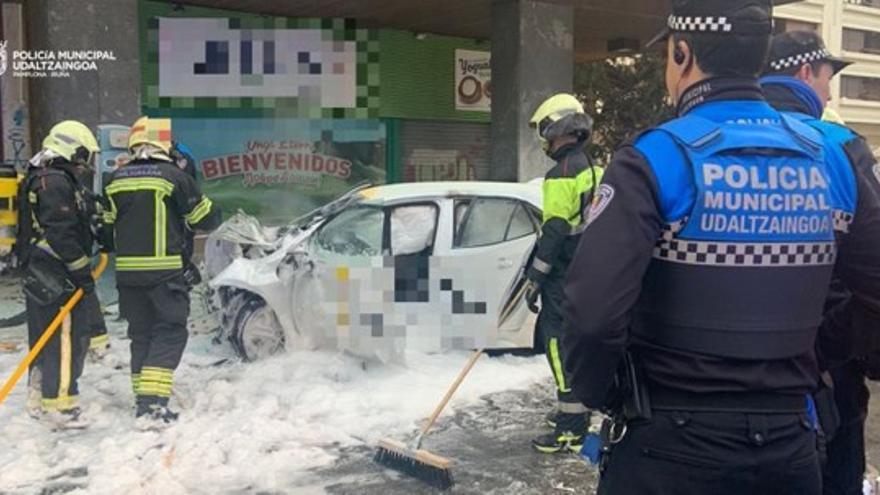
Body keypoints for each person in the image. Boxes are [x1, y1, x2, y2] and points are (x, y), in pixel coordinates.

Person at [562, 1, 880, 494]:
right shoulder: (834, 160)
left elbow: (591, 315)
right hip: (789, 444)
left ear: (683, 53)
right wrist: (822, 359)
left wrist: (607, 395)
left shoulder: (653, 158)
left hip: (666, 447)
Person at [760, 30, 873, 495]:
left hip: (715, 379)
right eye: (828, 77)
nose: (828, 91)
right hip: (823, 371)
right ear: (805, 73)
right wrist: (834, 347)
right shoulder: (841, 146)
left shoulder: (711, 139)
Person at [102, 117, 220, 424]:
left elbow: (105, 230)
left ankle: (143, 400)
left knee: (141, 335)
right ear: (163, 143)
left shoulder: (114, 179)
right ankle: (153, 406)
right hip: (164, 274)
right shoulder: (173, 177)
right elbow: (204, 219)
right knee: (169, 332)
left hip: (128, 276)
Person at [525, 93, 604, 454]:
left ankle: (571, 427)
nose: (544, 139)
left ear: (555, 128)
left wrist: (534, 278)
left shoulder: (560, 174)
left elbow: (554, 231)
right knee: (571, 344)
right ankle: (572, 414)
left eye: (544, 130)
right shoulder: (592, 167)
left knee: (556, 344)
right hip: (586, 274)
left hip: (560, 278)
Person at [17, 121, 102, 428]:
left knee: (45, 338)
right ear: (72, 148)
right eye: (82, 154)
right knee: (64, 338)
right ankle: (61, 404)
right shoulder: (53, 181)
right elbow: (62, 233)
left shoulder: (42, 177)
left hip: (42, 271)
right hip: (57, 272)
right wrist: (82, 272)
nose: (83, 162)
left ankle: (41, 394)